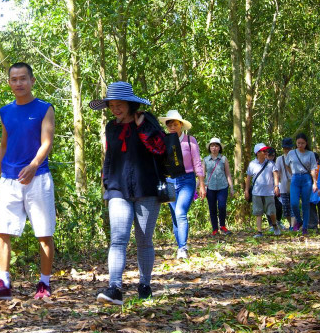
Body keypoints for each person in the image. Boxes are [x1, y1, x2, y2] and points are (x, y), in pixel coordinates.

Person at [0, 63, 56, 301]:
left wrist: (34, 165)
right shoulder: (6, 111)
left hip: (38, 177)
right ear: (9, 83)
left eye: (23, 78)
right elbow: (4, 145)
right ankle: (3, 283)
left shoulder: (44, 108)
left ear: (32, 81)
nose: (18, 83)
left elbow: (47, 141)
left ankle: (44, 283)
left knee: (44, 233)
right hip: (9, 179)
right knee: (2, 231)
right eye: (14, 79)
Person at [90, 82, 166, 305]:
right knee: (118, 239)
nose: (115, 109)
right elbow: (109, 157)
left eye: (119, 105)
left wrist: (142, 128)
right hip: (117, 188)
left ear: (130, 104)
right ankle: (115, 288)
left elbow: (160, 149)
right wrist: (106, 183)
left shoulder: (147, 121)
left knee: (144, 240)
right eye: (111, 105)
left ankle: (145, 286)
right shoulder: (111, 127)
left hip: (147, 187)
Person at [158, 110, 205, 259]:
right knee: (175, 216)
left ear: (181, 125)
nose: (172, 127)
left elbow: (197, 162)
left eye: (175, 124)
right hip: (170, 181)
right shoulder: (164, 141)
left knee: (180, 212)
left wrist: (201, 183)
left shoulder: (190, 141)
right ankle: (180, 246)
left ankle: (183, 248)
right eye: (169, 125)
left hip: (187, 180)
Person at [281, 133, 319, 235]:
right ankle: (299, 220)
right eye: (298, 143)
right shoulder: (291, 153)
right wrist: (292, 173)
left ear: (306, 143)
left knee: (306, 204)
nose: (300, 145)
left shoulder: (310, 154)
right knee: (294, 203)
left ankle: (305, 227)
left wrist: (314, 183)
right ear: (296, 143)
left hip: (306, 178)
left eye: (302, 143)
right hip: (295, 178)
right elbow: (287, 165)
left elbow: (313, 169)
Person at [203, 137, 234, 235]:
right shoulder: (205, 160)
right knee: (212, 208)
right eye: (212, 146)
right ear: (209, 148)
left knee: (222, 206)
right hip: (210, 187)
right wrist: (198, 187)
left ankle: (223, 226)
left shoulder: (224, 159)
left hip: (222, 186)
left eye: (216, 146)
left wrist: (231, 187)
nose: (214, 148)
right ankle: (214, 229)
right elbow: (202, 175)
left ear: (219, 148)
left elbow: (228, 174)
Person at [247, 143, 279, 238]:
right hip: (256, 192)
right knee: (258, 212)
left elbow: (275, 174)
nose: (266, 152)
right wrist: (246, 190)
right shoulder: (252, 164)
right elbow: (248, 178)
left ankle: (275, 225)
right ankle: (259, 231)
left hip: (269, 192)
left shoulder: (270, 163)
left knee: (271, 211)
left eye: (266, 151)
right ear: (257, 153)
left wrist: (276, 186)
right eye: (263, 151)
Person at [273, 138, 298, 231]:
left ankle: (293, 226)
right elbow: (276, 173)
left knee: (293, 206)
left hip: (295, 186)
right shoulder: (279, 159)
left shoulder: (296, 157)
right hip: (284, 187)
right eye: (285, 148)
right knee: (286, 209)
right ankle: (291, 224)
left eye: (289, 148)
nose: (287, 150)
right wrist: (276, 186)